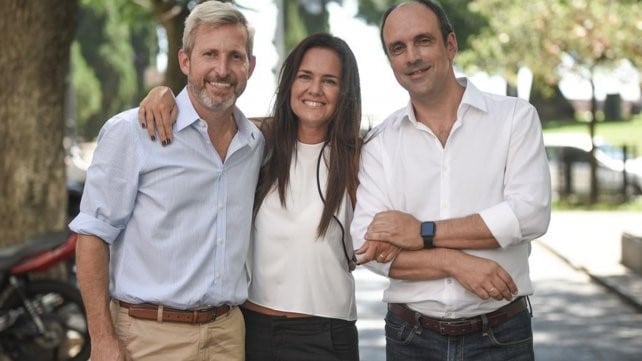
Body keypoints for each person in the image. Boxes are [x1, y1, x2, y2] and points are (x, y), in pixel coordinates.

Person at [138, 32, 394, 360]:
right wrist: (162, 94)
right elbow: (203, 113)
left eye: (329, 81)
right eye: (305, 76)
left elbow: (381, 238)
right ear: (289, 83)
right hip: (250, 330)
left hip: (325, 336)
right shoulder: (256, 141)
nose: (314, 89)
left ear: (345, 92)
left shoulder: (359, 157)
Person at [350, 1, 552, 360]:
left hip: (501, 335)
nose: (412, 56)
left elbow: (529, 214)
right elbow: (368, 247)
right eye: (398, 48)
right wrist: (455, 263)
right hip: (411, 337)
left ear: (451, 45)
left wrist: (421, 233)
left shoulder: (514, 119)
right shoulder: (380, 143)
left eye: (423, 41)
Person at [69, 2, 264, 360]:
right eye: (210, 54)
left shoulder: (255, 143)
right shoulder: (133, 132)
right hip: (147, 337)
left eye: (235, 56)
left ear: (250, 66)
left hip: (228, 336)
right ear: (185, 61)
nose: (222, 69)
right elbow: (93, 236)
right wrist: (102, 339)